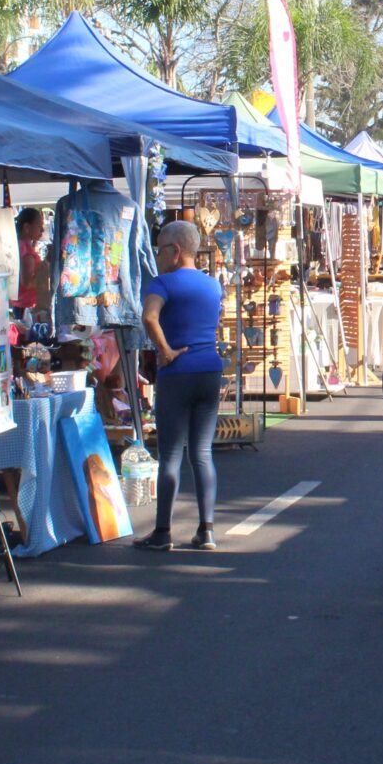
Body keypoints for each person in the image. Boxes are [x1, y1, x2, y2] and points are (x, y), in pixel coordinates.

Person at [133, 220, 226, 551]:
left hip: (178, 372)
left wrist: (166, 350)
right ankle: (207, 530)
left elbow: (149, 317)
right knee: (202, 452)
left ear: (174, 251)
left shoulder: (162, 283)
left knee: (170, 453)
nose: (156, 256)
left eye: (159, 249)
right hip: (209, 370)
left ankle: (162, 532)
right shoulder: (213, 285)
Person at [11, 207, 49, 313]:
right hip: (26, 307)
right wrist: (46, 268)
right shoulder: (26, 249)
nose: (42, 230)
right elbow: (27, 283)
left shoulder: (20, 245)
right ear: (27, 227)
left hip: (22, 305)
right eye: (39, 226)